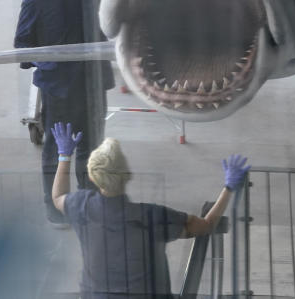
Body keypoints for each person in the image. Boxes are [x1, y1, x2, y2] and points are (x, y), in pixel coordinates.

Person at [49, 121, 249, 297]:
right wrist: (229, 187)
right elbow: (206, 226)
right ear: (127, 174)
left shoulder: (82, 207)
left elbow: (58, 197)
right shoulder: (151, 217)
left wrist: (64, 156)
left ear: (93, 177)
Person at [14, 0, 114, 226]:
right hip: (60, 89)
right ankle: (55, 209)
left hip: (94, 81)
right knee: (58, 148)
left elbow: (121, 1)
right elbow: (22, 48)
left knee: (93, 145)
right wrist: (53, 59)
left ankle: (90, 202)